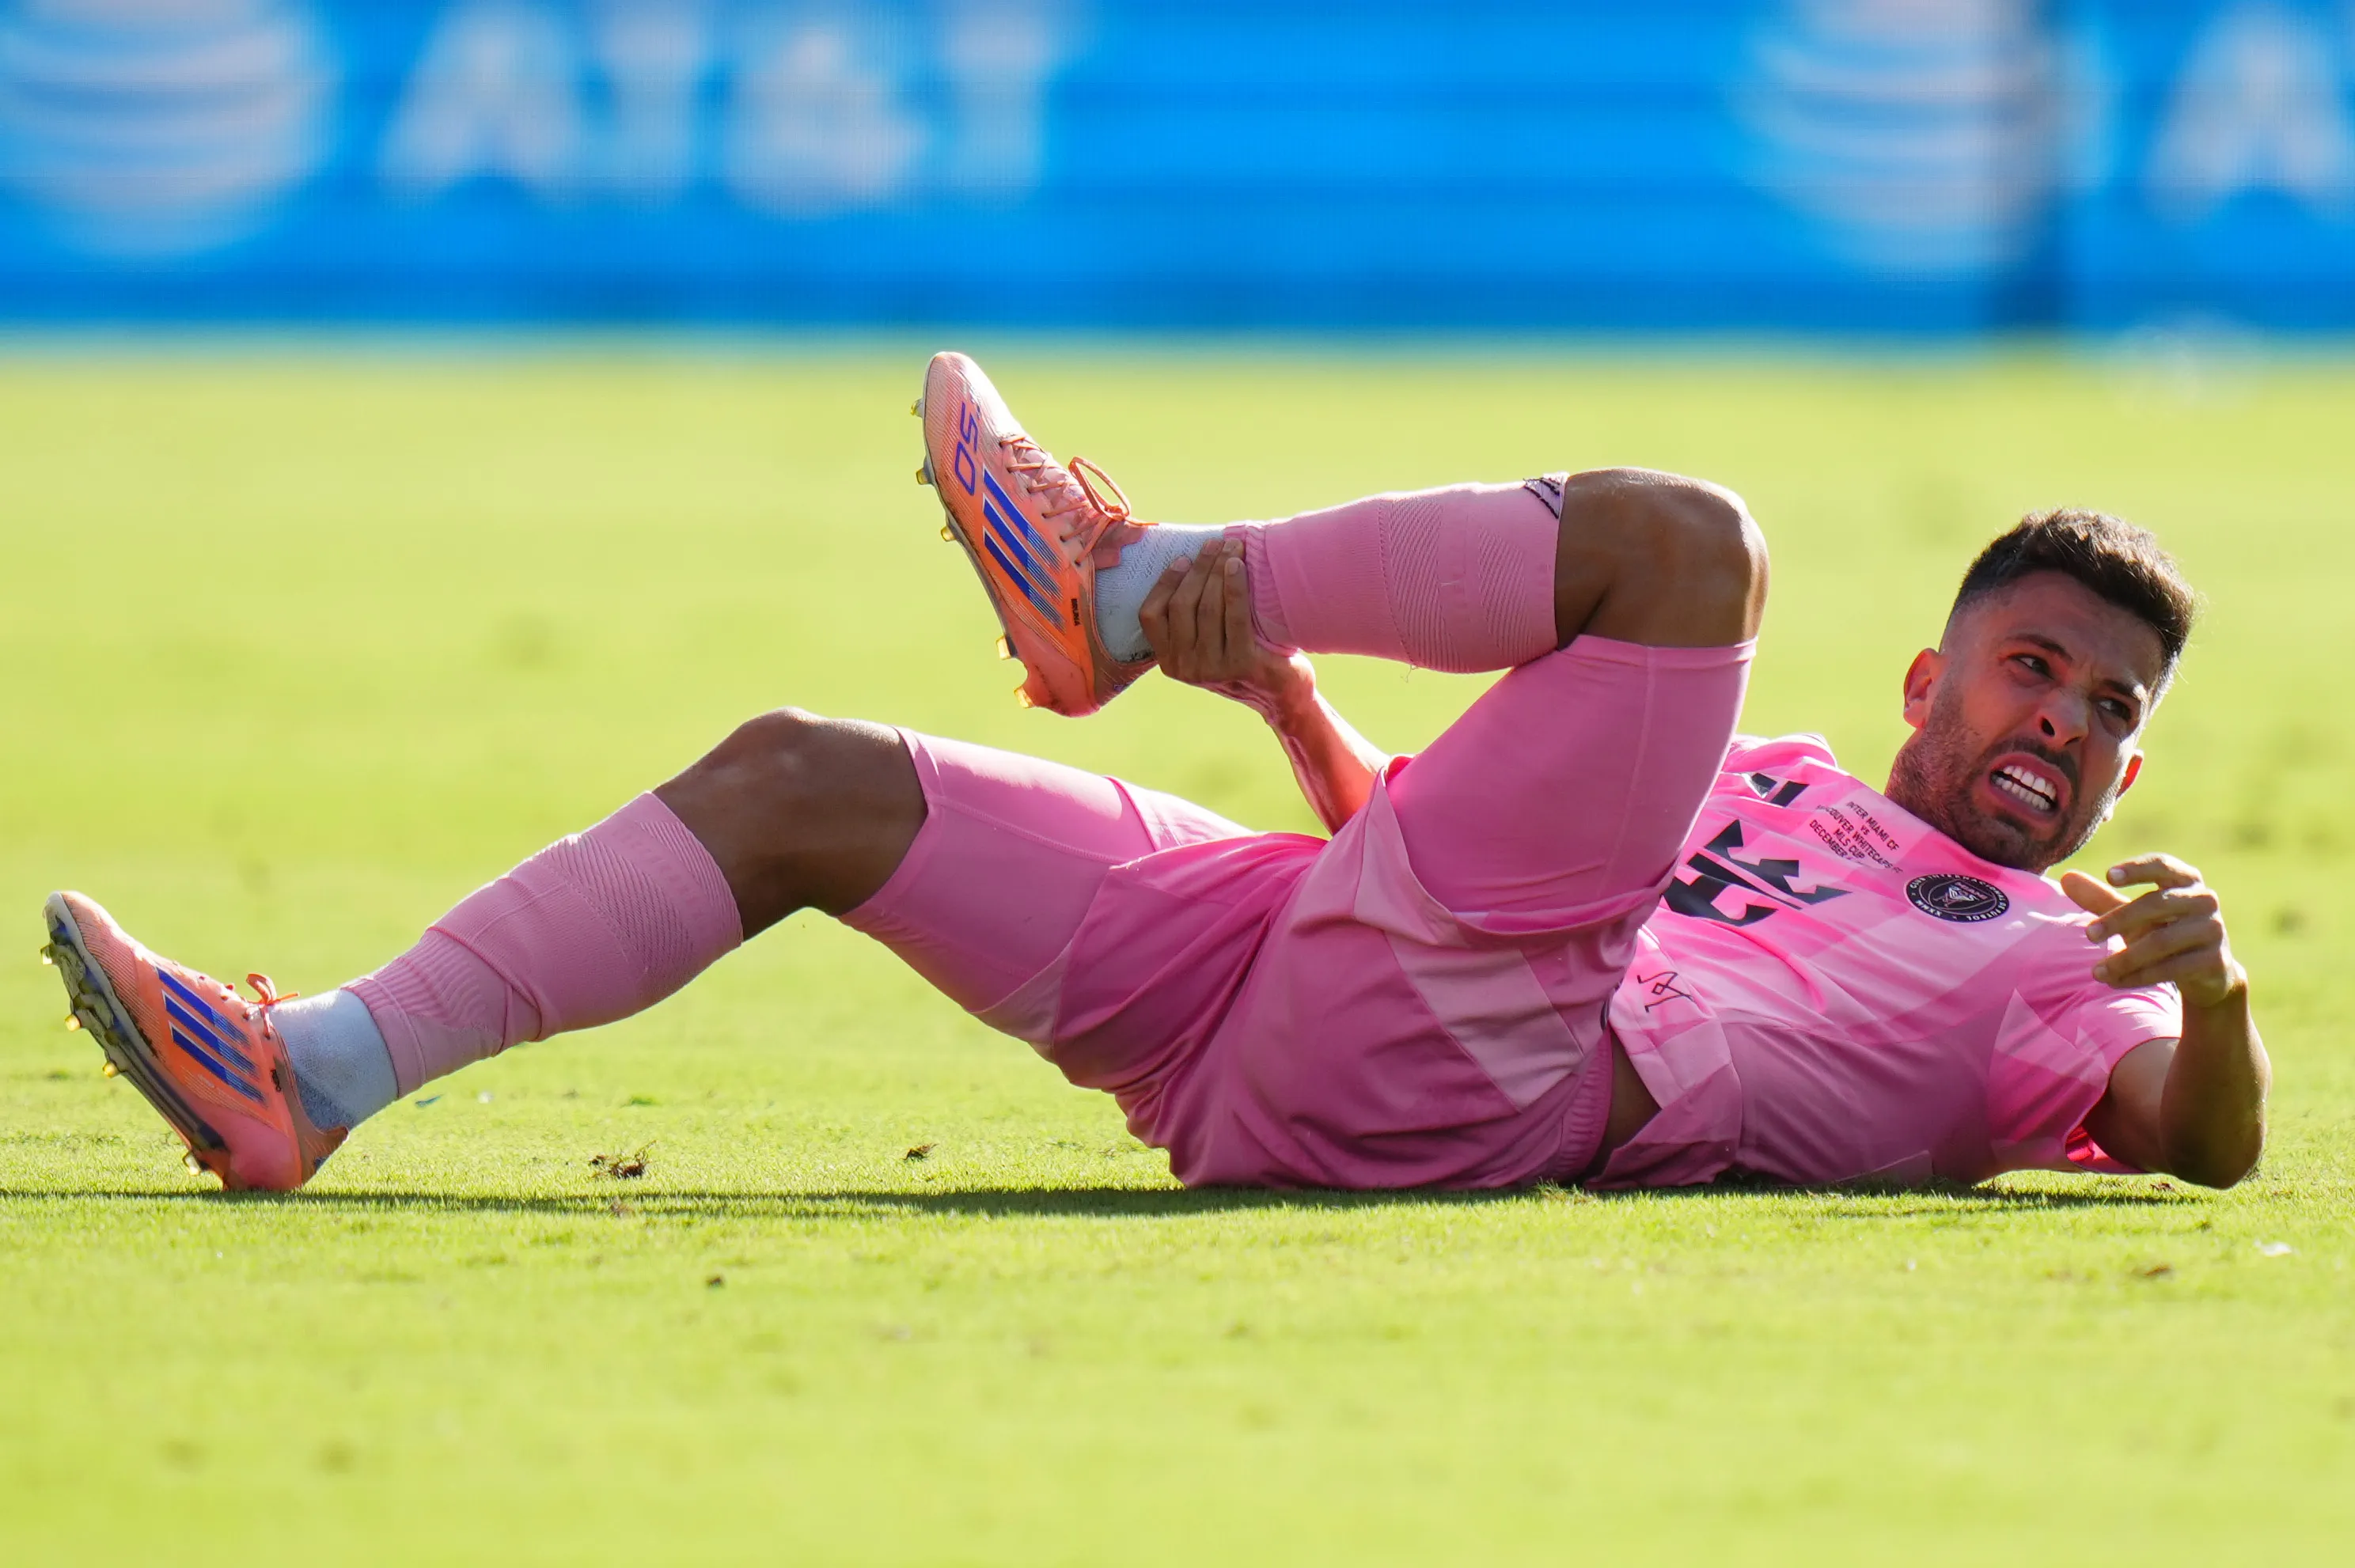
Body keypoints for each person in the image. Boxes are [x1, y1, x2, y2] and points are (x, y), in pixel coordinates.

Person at [40, 354, 2266, 1195]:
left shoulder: (2079, 973)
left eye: (2107, 710)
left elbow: (2201, 1149)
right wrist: (1287, 704)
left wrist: (2224, 994)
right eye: (2033, 668)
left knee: (1688, 550)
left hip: (1487, 1078)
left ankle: (1105, 584)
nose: (2062, 723)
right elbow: (1462, 855)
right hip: (1310, 983)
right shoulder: (1766, 773)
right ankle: (308, 1068)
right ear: (1936, 673)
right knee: (806, 776)